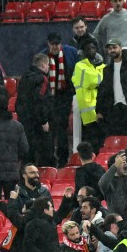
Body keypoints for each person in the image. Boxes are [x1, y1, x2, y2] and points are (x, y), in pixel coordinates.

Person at [41, 32, 78, 168]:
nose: (55, 47)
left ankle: (62, 159)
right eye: (52, 44)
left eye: (57, 44)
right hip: (49, 97)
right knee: (51, 129)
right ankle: (51, 159)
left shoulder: (71, 52)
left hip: (65, 95)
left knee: (62, 127)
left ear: (61, 43)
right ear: (48, 44)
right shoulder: (43, 56)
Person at [16, 53, 54, 167]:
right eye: (48, 65)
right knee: (46, 152)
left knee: (28, 154)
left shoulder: (24, 77)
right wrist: (44, 121)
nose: (48, 68)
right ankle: (44, 178)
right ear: (42, 65)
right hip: (37, 122)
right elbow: (40, 101)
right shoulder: (42, 79)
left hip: (24, 121)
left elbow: (20, 100)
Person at [72, 40, 105, 152]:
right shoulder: (80, 66)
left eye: (93, 48)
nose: (91, 50)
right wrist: (102, 78)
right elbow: (91, 81)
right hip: (88, 111)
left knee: (101, 142)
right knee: (91, 143)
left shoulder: (101, 65)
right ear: (84, 51)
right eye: (88, 48)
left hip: (100, 108)